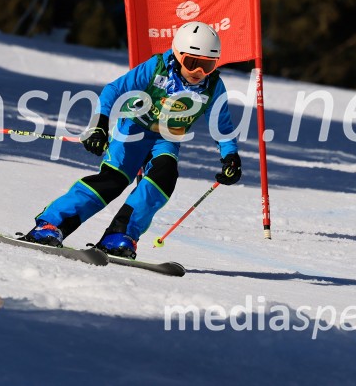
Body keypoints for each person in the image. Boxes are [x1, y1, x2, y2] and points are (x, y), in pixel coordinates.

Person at [20, 21, 243, 258]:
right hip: (133, 131)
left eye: (208, 65)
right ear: (178, 54)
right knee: (113, 181)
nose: (199, 72)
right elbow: (113, 90)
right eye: (192, 63)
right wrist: (99, 125)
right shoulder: (156, 68)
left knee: (164, 177)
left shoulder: (213, 87)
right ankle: (51, 225)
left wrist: (230, 156)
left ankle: (120, 235)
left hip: (166, 139)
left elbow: (222, 126)